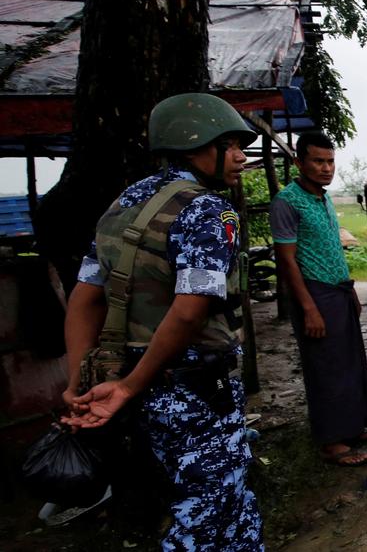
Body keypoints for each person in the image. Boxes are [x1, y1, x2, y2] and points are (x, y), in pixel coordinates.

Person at [61, 93, 263, 550]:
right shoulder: (206, 210)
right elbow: (191, 307)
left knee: (211, 497)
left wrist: (80, 383)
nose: (240, 157)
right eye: (229, 145)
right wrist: (130, 386)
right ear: (194, 146)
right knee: (208, 508)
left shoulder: (123, 205)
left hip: (139, 386)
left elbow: (84, 299)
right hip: (191, 387)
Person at [269, 132, 367, 466]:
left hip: (338, 291)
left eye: (330, 161)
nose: (326, 168)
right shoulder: (287, 202)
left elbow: (331, 248)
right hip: (314, 294)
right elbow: (287, 261)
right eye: (318, 161)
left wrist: (351, 292)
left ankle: (352, 426)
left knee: (349, 362)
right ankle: (332, 443)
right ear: (298, 162)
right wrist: (308, 308)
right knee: (325, 368)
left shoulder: (324, 198)